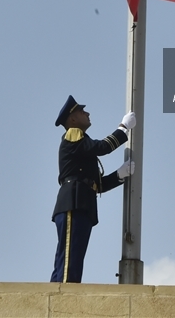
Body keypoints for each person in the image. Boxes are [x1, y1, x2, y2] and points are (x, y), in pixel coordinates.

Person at [50, 95, 135, 283]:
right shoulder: (73, 134)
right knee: (69, 258)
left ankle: (67, 291)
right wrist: (123, 129)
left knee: (74, 256)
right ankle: (62, 295)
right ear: (72, 120)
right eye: (81, 111)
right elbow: (102, 147)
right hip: (74, 202)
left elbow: (96, 184)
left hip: (83, 202)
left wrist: (119, 175)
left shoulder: (81, 145)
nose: (87, 113)